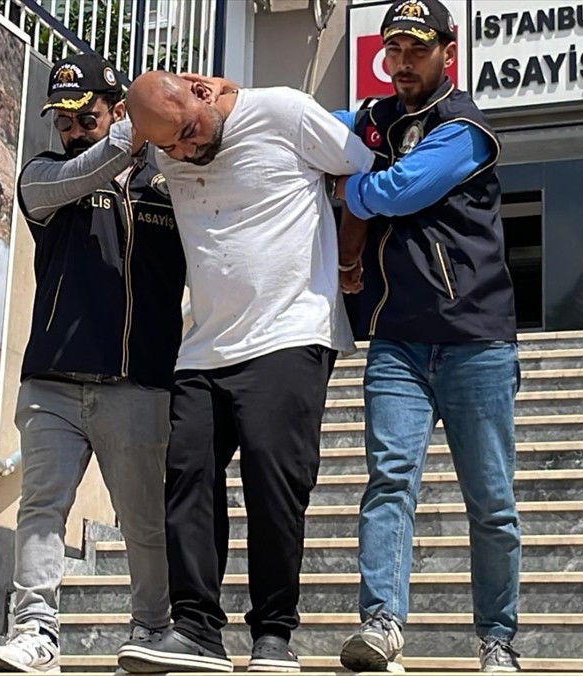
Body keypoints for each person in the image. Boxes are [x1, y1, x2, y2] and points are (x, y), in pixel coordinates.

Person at [113, 72, 374, 675]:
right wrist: (133, 139)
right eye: (169, 146)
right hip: (204, 345)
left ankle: (274, 635)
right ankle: (196, 630)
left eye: (188, 132)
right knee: (187, 476)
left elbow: (363, 170)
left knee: (272, 484)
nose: (185, 151)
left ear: (202, 93)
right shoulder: (162, 141)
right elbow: (117, 138)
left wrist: (349, 255)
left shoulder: (284, 113)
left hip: (290, 330)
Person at [299, 1, 520, 671]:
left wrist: (350, 187)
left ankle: (498, 640)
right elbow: (313, 128)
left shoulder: (466, 128)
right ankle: (382, 625)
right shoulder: (373, 117)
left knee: (492, 501)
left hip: (475, 339)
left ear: (448, 52)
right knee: (389, 482)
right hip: (396, 340)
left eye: (417, 50)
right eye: (392, 49)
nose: (401, 62)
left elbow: (399, 189)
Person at [0, 53, 187, 674]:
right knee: (42, 508)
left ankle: (153, 628)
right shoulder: (45, 176)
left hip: (139, 382)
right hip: (53, 382)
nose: (72, 130)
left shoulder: (170, 180)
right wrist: (134, 132)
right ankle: (35, 631)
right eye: (63, 120)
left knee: (144, 521)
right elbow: (88, 169)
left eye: (86, 117)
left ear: (116, 109)